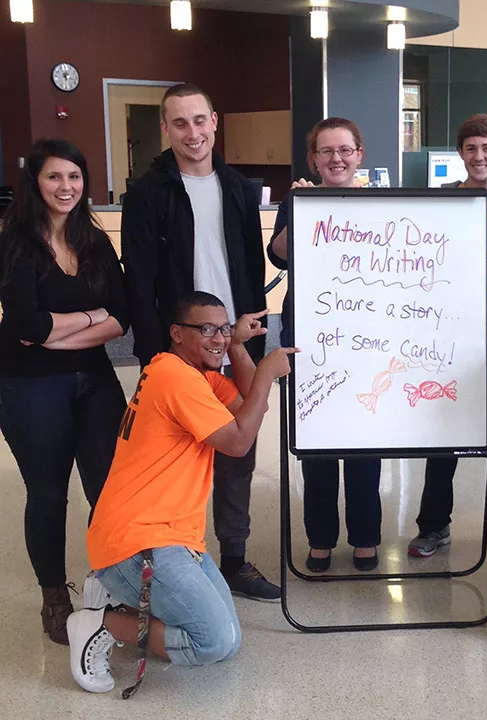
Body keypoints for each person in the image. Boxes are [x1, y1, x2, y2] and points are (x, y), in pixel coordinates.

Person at [66, 292, 296, 694]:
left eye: (224, 329)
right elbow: (238, 441)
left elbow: (248, 406)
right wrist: (265, 372)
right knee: (212, 642)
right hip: (140, 542)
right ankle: (100, 622)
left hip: (175, 537)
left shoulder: (195, 375)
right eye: (206, 329)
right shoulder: (177, 379)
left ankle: (117, 592)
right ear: (176, 333)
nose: (218, 338)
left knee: (227, 640)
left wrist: (238, 347)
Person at [121, 83, 275, 600]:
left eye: (200, 120)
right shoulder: (147, 194)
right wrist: (156, 357)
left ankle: (234, 559)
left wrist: (247, 341)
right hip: (179, 352)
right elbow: (139, 282)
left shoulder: (238, 188)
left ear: (214, 122)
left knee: (237, 454)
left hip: (234, 343)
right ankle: (169, 554)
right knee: (174, 456)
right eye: (180, 123)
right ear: (166, 128)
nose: (193, 132)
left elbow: (251, 266)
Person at [0, 139, 127, 645]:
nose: (66, 186)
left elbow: (122, 317)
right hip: (28, 384)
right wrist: (93, 317)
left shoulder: (94, 240)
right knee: (49, 494)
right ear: (35, 182)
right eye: (54, 176)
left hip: (95, 380)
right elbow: (27, 327)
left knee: (111, 490)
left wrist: (61, 330)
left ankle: (109, 582)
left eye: (74, 177)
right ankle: (54, 595)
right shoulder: (16, 243)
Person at [407, 114, 487, 557]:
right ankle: (433, 527)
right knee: (444, 441)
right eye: (471, 148)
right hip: (450, 341)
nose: (479, 156)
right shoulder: (442, 202)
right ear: (460, 153)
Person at [268, 117, 382, 572]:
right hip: (310, 339)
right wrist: (302, 206)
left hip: (366, 339)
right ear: (313, 158)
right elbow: (278, 254)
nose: (337, 159)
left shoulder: (379, 204)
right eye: (327, 151)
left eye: (345, 150)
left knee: (364, 443)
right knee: (316, 443)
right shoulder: (297, 200)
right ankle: (320, 538)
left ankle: (366, 538)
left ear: (359, 155)